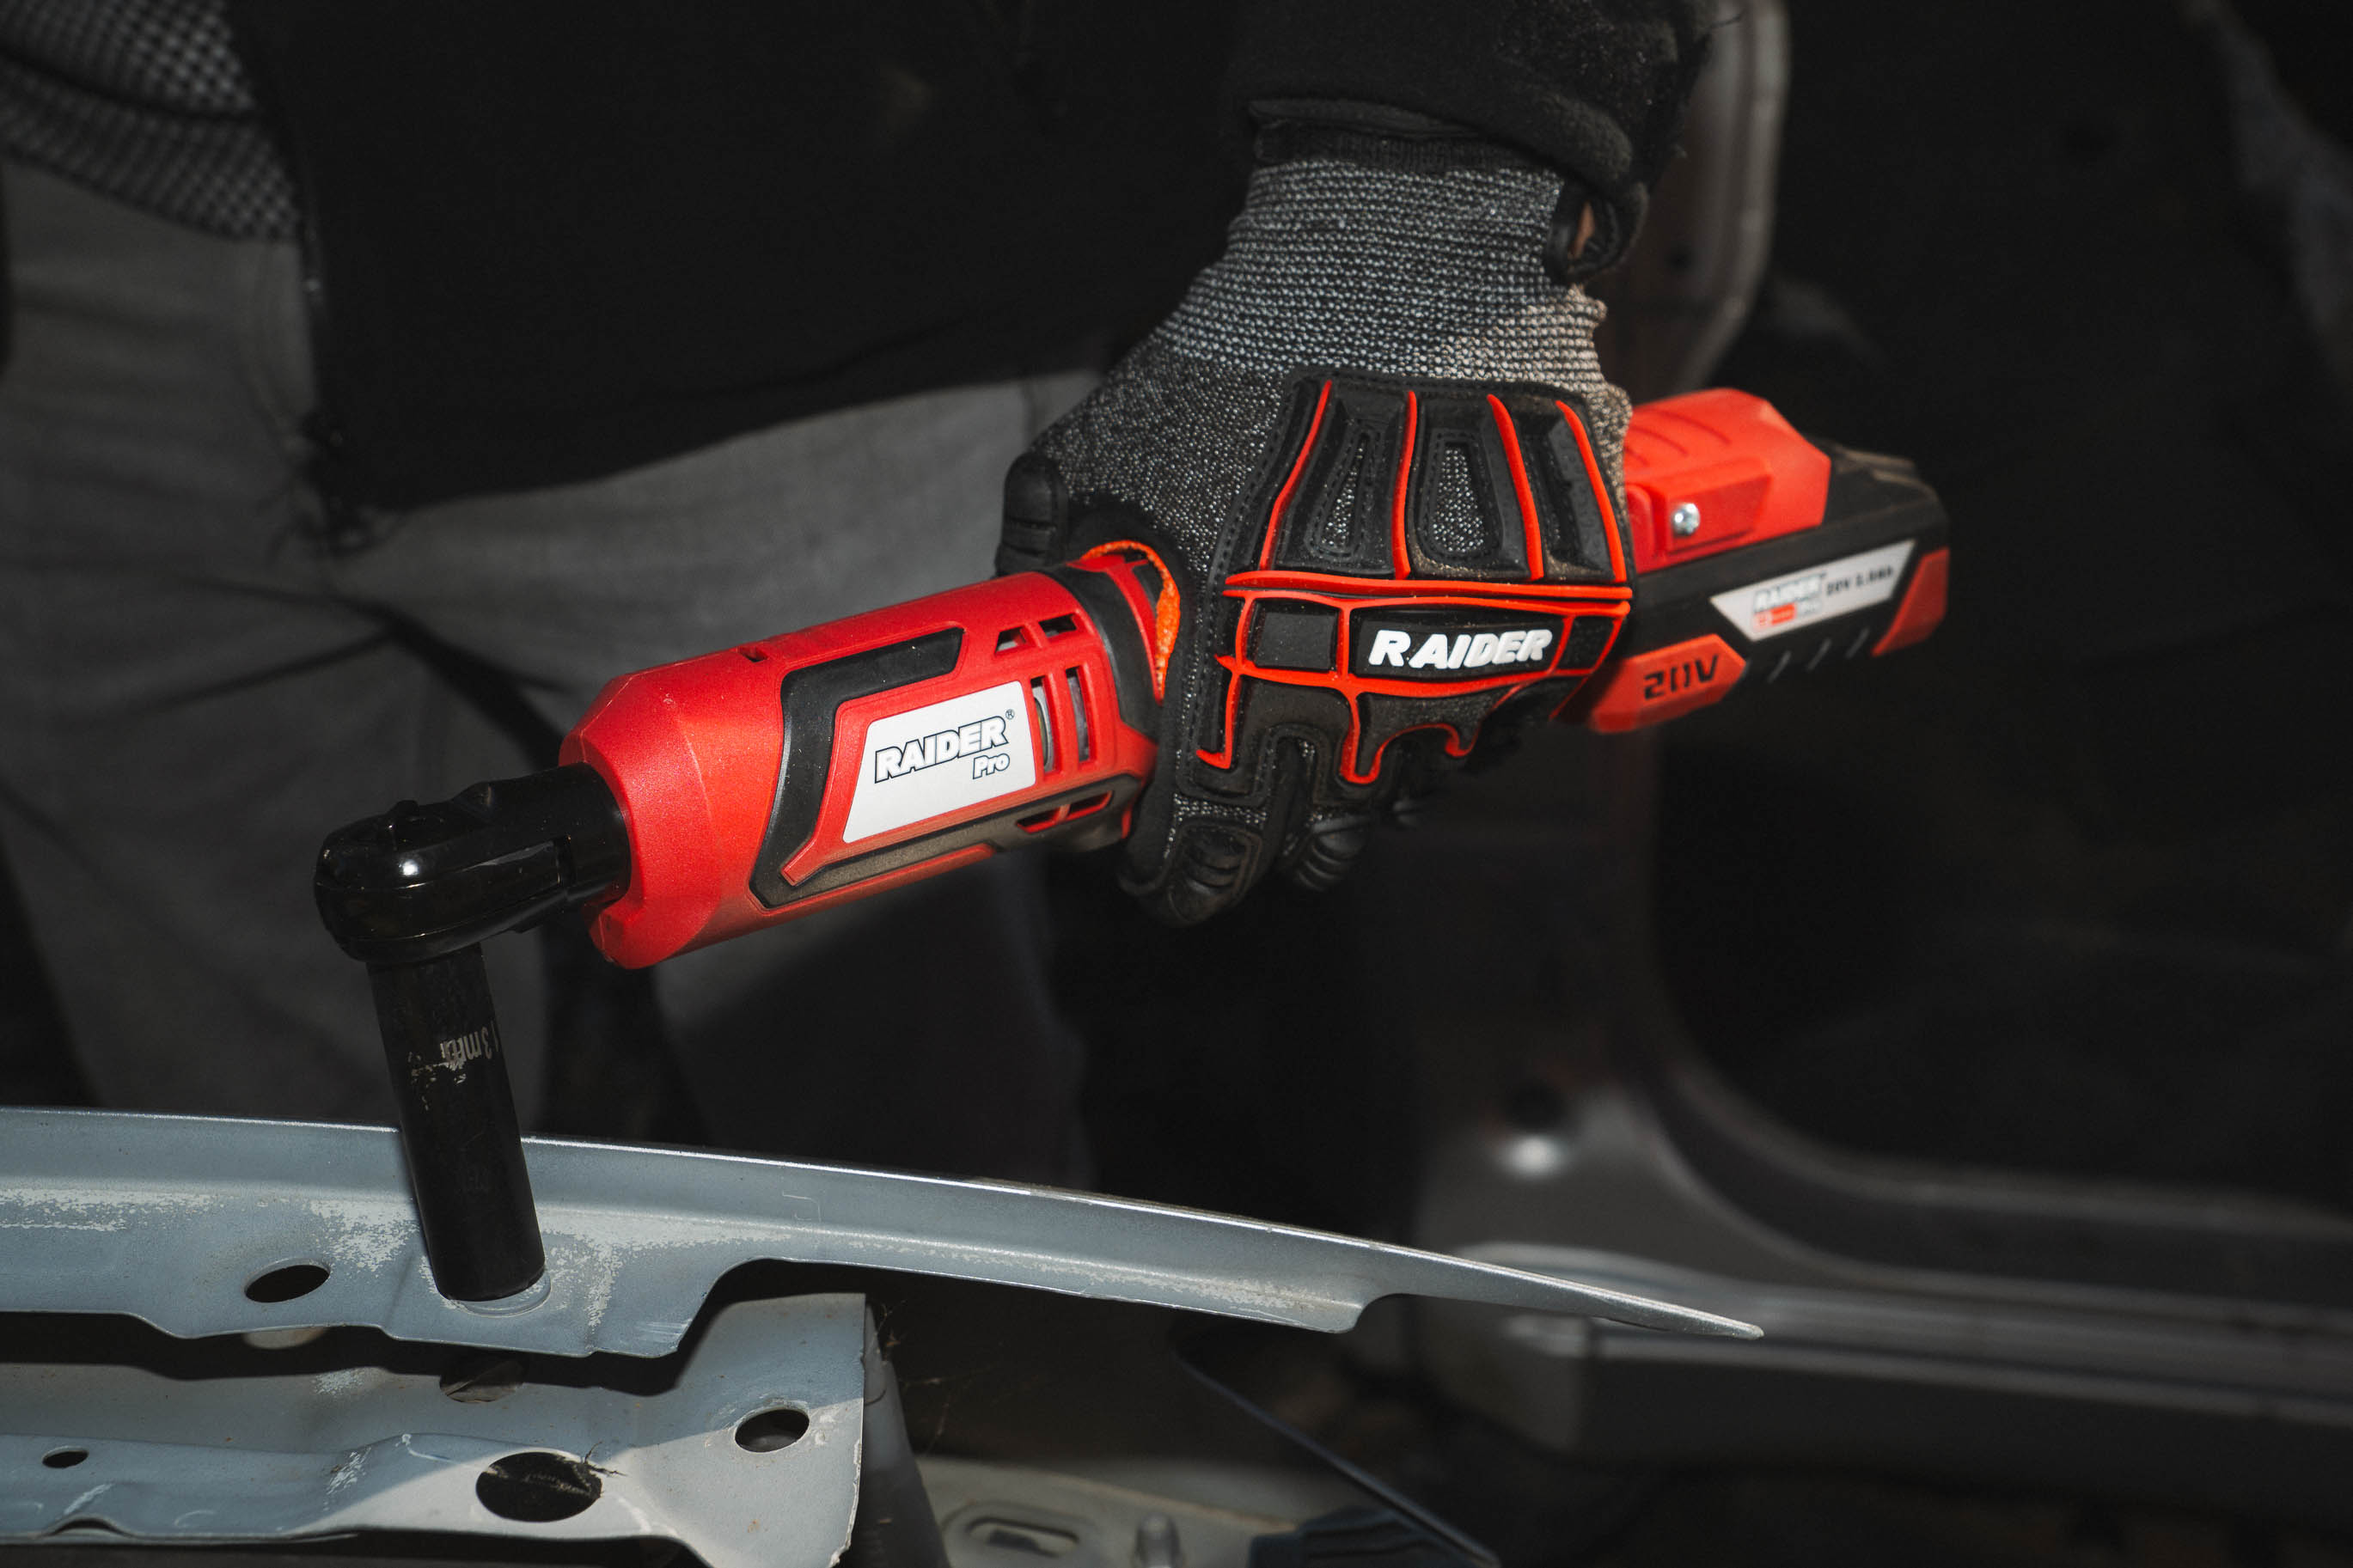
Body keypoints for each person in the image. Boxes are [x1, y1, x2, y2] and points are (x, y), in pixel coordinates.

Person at [0, 1, 1709, 1174]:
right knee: (247, 1199)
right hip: (69, 262)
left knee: (914, 1200)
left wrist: (1425, 194)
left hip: (786, 265)